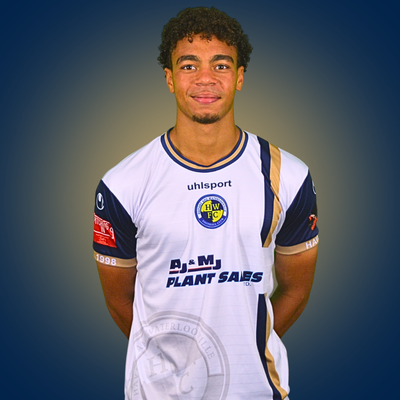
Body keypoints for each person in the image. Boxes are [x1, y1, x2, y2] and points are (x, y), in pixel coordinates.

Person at [93, 6, 318, 400]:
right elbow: (118, 300)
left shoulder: (290, 176)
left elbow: (296, 289)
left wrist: (242, 348)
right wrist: (176, 364)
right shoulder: (122, 184)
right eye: (188, 65)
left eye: (221, 65)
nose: (205, 79)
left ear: (240, 77)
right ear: (169, 78)